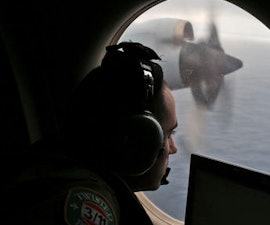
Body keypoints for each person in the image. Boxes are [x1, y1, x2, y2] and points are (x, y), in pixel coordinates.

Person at [3, 42, 179, 225]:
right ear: (135, 142)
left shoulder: (55, 167)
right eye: (167, 134)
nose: (173, 148)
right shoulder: (88, 203)